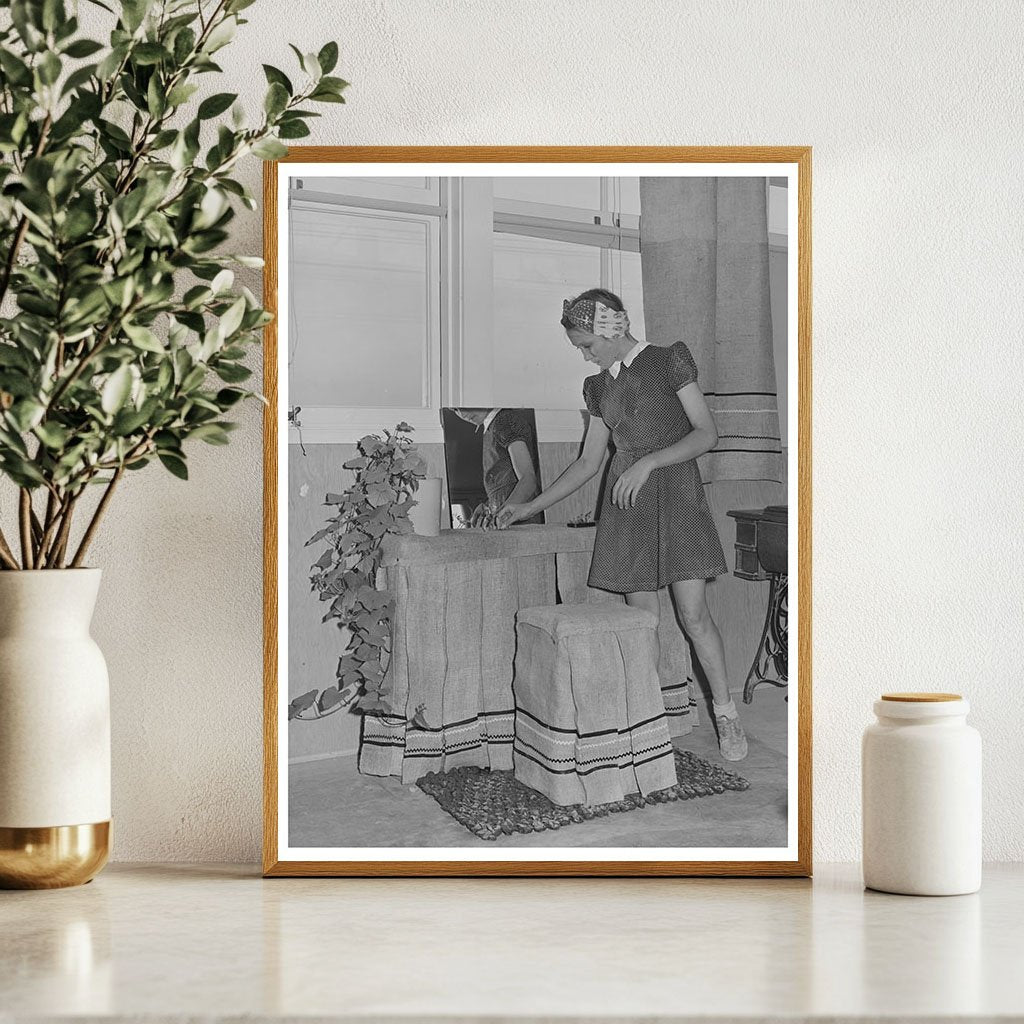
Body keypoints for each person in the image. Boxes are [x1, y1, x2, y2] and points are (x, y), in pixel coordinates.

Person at [497, 289, 747, 761]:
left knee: (694, 617)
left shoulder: (668, 362)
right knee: (642, 624)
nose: (586, 355)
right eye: (580, 348)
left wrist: (648, 462)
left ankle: (727, 715)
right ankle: (649, 725)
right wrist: (527, 508)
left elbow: (706, 432)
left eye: (588, 344)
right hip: (628, 508)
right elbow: (588, 463)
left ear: (613, 328)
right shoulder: (598, 388)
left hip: (677, 496)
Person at [452, 408, 543, 526]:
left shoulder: (504, 420)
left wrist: (498, 516)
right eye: (455, 409)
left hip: (523, 524)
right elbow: (506, 482)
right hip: (513, 524)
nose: (462, 414)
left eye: (462, 405)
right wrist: (489, 505)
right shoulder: (492, 426)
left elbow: (528, 480)